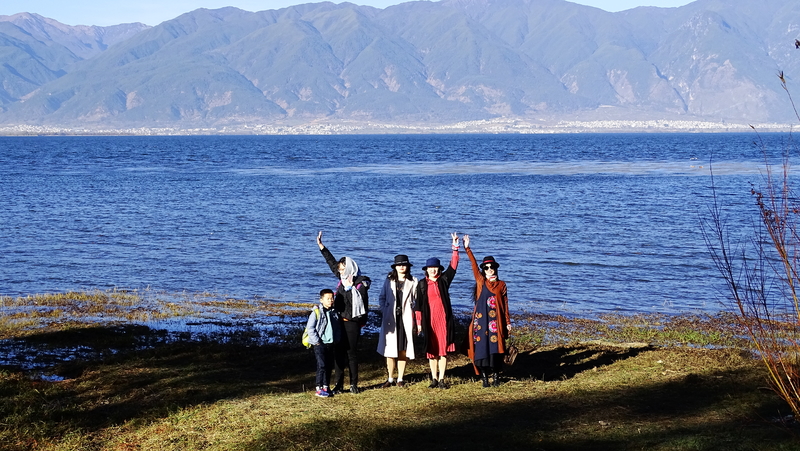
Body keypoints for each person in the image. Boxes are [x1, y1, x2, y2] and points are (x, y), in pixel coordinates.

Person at [317, 231, 371, 394]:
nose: (340, 272)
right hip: (338, 322)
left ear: (350, 269)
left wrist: (361, 321)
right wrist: (322, 247)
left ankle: (354, 384)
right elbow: (331, 263)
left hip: (352, 323)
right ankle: (338, 385)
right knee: (338, 354)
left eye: (343, 270)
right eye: (340, 270)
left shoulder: (360, 284)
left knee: (351, 354)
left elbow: (362, 305)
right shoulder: (342, 280)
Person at [415, 233, 460, 389]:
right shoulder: (422, 284)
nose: (433, 270)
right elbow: (418, 306)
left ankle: (441, 379)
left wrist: (455, 247)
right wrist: (419, 324)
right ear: (426, 270)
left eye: (435, 268)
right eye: (430, 268)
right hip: (429, 321)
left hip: (444, 320)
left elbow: (453, 266)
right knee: (431, 350)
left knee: (443, 351)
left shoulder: (444, 280)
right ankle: (433, 379)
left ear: (439, 269)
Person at [464, 234, 510, 387]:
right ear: (483, 270)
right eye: (486, 268)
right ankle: (484, 379)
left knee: (496, 351)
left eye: (492, 267)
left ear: (496, 268)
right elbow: (473, 264)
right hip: (481, 323)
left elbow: (505, 305)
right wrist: (467, 248)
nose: (489, 270)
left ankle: (496, 378)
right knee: (481, 350)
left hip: (496, 323)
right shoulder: (480, 281)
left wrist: (508, 322)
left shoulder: (502, 285)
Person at [377, 254, 418, 388]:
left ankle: (400, 378)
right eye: (399, 265)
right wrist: (384, 310)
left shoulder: (413, 281)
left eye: (404, 265)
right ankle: (390, 378)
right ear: (395, 267)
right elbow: (382, 297)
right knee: (389, 350)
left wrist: (415, 318)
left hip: (405, 319)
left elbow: (416, 300)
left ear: (408, 266)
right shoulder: (389, 280)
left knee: (403, 349)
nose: (401, 267)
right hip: (391, 319)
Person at [304, 289, 341, 398]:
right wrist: (317, 341)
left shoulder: (334, 312)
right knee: (322, 365)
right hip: (320, 344)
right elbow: (310, 328)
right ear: (321, 300)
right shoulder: (316, 312)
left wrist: (337, 339)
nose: (330, 301)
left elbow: (337, 327)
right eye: (328, 299)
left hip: (331, 343)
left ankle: (326, 386)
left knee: (329, 366)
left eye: (332, 298)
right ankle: (318, 388)